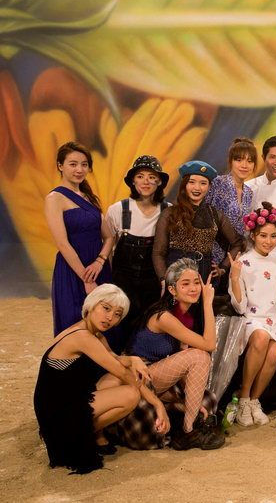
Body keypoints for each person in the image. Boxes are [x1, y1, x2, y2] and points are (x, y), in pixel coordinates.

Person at [34, 284, 166, 473]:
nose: (110, 317)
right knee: (131, 394)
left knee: (115, 379)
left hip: (63, 402)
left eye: (117, 314)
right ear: (91, 305)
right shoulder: (82, 337)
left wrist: (133, 359)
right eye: (106, 308)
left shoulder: (92, 333)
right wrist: (157, 404)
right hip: (57, 414)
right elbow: (123, 373)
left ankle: (91, 433)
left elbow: (116, 360)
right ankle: (76, 438)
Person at [128, 258, 225, 450]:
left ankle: (187, 424)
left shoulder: (186, 316)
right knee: (200, 355)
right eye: (185, 284)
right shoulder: (164, 316)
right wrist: (208, 303)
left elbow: (181, 361)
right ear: (172, 290)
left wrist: (190, 401)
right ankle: (189, 432)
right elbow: (209, 344)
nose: (194, 288)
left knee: (206, 399)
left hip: (161, 376)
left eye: (196, 283)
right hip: (140, 374)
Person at [227, 202, 276, 427]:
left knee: (275, 351)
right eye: (263, 235)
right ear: (253, 235)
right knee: (261, 338)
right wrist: (234, 277)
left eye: (273, 236)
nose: (268, 241)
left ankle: (254, 401)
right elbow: (240, 306)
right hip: (252, 319)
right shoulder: (243, 261)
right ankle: (244, 398)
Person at [45, 142, 112, 335]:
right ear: (60, 166)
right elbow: (62, 243)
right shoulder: (54, 198)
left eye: (84, 164)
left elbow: (109, 237)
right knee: (75, 323)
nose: (79, 170)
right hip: (73, 269)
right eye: (73, 164)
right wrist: (86, 278)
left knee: (103, 323)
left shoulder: (89, 197)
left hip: (98, 268)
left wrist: (100, 262)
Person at [105, 155, 170, 353]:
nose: (146, 182)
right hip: (123, 279)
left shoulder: (168, 210)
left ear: (159, 182)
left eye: (152, 177)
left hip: (153, 280)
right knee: (121, 321)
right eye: (140, 176)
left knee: (147, 323)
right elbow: (108, 246)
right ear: (133, 181)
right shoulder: (118, 209)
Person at [152, 161, 243, 281]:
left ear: (209, 187)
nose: (197, 188)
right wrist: (164, 280)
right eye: (192, 182)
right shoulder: (170, 213)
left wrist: (223, 268)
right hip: (176, 276)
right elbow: (158, 253)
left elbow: (238, 243)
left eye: (203, 183)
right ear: (184, 184)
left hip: (203, 276)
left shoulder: (215, 215)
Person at [205, 138, 257, 267]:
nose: (244, 165)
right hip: (209, 254)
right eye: (239, 160)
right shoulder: (217, 182)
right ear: (230, 161)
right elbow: (202, 214)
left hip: (232, 258)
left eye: (249, 161)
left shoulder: (248, 192)